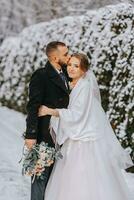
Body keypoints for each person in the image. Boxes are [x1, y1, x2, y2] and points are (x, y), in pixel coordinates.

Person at [38, 53, 133, 200]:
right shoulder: (76, 85)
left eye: (76, 66)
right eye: (70, 65)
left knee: (83, 177)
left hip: (84, 140)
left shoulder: (85, 87)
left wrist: (50, 111)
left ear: (84, 70)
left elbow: (77, 114)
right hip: (76, 136)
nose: (71, 68)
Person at [24, 41, 70, 200]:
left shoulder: (69, 73)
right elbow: (32, 106)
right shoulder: (41, 75)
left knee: (57, 181)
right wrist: (30, 134)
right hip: (45, 135)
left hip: (64, 135)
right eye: (66, 54)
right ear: (55, 58)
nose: (69, 57)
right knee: (40, 178)